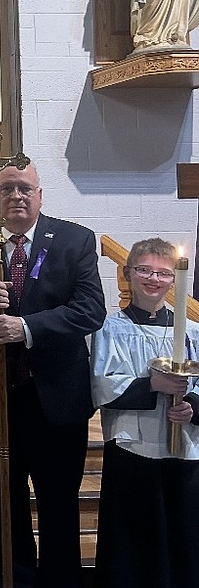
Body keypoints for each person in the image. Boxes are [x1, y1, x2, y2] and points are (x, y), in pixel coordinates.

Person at [0, 162, 106, 588]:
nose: (17, 196)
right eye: (8, 188)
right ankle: (11, 576)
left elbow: (90, 310)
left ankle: (59, 579)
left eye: (25, 188)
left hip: (56, 397)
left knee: (58, 500)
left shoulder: (74, 240)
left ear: (40, 194)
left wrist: (27, 328)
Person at [91, 237, 199, 588]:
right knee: (132, 536)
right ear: (127, 274)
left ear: (175, 281)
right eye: (144, 270)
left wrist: (192, 407)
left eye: (164, 273)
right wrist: (152, 385)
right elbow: (101, 384)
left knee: (184, 531)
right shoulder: (109, 328)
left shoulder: (193, 332)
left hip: (185, 447)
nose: (154, 279)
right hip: (132, 449)